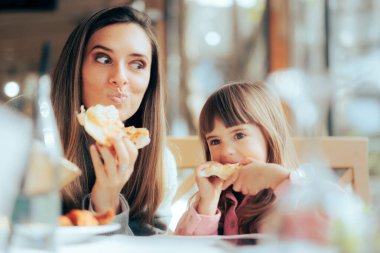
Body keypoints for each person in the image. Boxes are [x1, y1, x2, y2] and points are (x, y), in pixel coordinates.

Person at [51, 6, 176, 235]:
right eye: (103, 58)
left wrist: (107, 203)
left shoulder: (160, 163)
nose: (120, 78)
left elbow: (154, 246)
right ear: (75, 68)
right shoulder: (34, 143)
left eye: (137, 64)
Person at [175, 81, 308, 236]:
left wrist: (278, 178)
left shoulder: (292, 196)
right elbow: (184, 247)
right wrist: (207, 205)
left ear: (269, 137)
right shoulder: (216, 203)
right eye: (215, 141)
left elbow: (334, 217)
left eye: (239, 135)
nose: (225, 152)